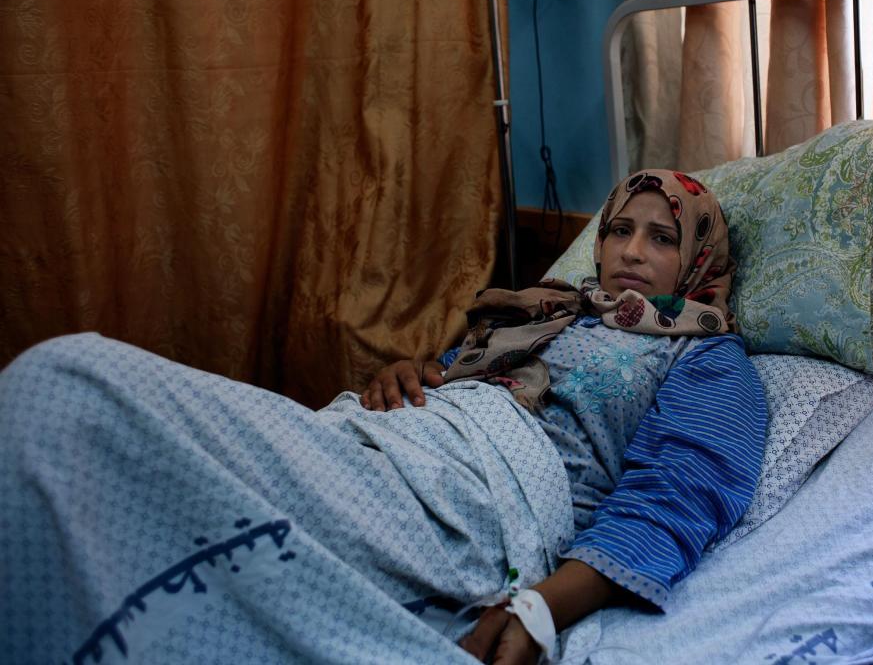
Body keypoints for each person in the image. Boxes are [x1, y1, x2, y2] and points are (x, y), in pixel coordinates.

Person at [0, 169, 766, 664]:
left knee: (70, 384)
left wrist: (539, 604)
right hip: (391, 442)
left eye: (662, 237)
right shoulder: (548, 310)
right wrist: (413, 371)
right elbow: (451, 378)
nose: (629, 251)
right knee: (70, 412)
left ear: (699, 259)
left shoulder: (706, 358)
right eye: (617, 230)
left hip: (479, 495)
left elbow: (677, 497)